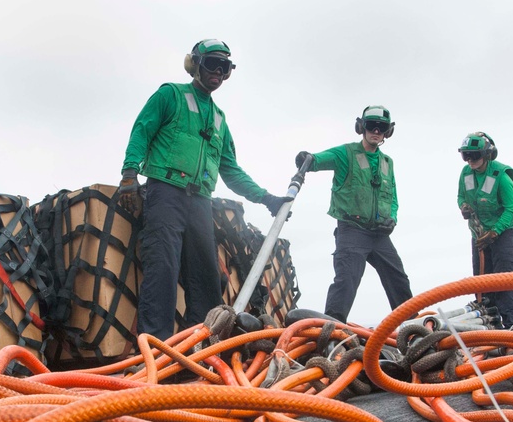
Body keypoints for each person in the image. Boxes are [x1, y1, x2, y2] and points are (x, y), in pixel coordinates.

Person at [118, 39, 293, 340]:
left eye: (224, 68)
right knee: (162, 271)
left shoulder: (219, 119)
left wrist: (266, 199)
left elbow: (232, 170)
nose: (217, 73)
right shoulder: (170, 95)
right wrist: (129, 174)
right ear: (195, 65)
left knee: (206, 281)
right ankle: (155, 353)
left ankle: (197, 349)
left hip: (200, 202)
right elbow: (141, 131)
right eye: (212, 64)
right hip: (165, 193)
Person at [294, 105, 414, 324]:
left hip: (379, 235)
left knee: (399, 280)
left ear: (388, 131)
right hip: (352, 231)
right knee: (347, 281)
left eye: (381, 127)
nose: (376, 131)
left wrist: (393, 218)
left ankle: (412, 329)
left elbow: (393, 197)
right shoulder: (345, 153)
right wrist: (307, 159)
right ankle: (330, 330)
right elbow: (319, 160)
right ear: (361, 127)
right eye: (371, 126)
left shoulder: (388, 163)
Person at [456, 131, 513, 329]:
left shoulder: (501, 177)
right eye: (466, 156)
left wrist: (494, 232)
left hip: (503, 237)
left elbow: (512, 210)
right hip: (479, 236)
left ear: (487, 154)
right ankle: (490, 331)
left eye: (474, 156)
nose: (470, 160)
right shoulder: (466, 173)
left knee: (506, 284)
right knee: (483, 287)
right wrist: (463, 207)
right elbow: (461, 196)